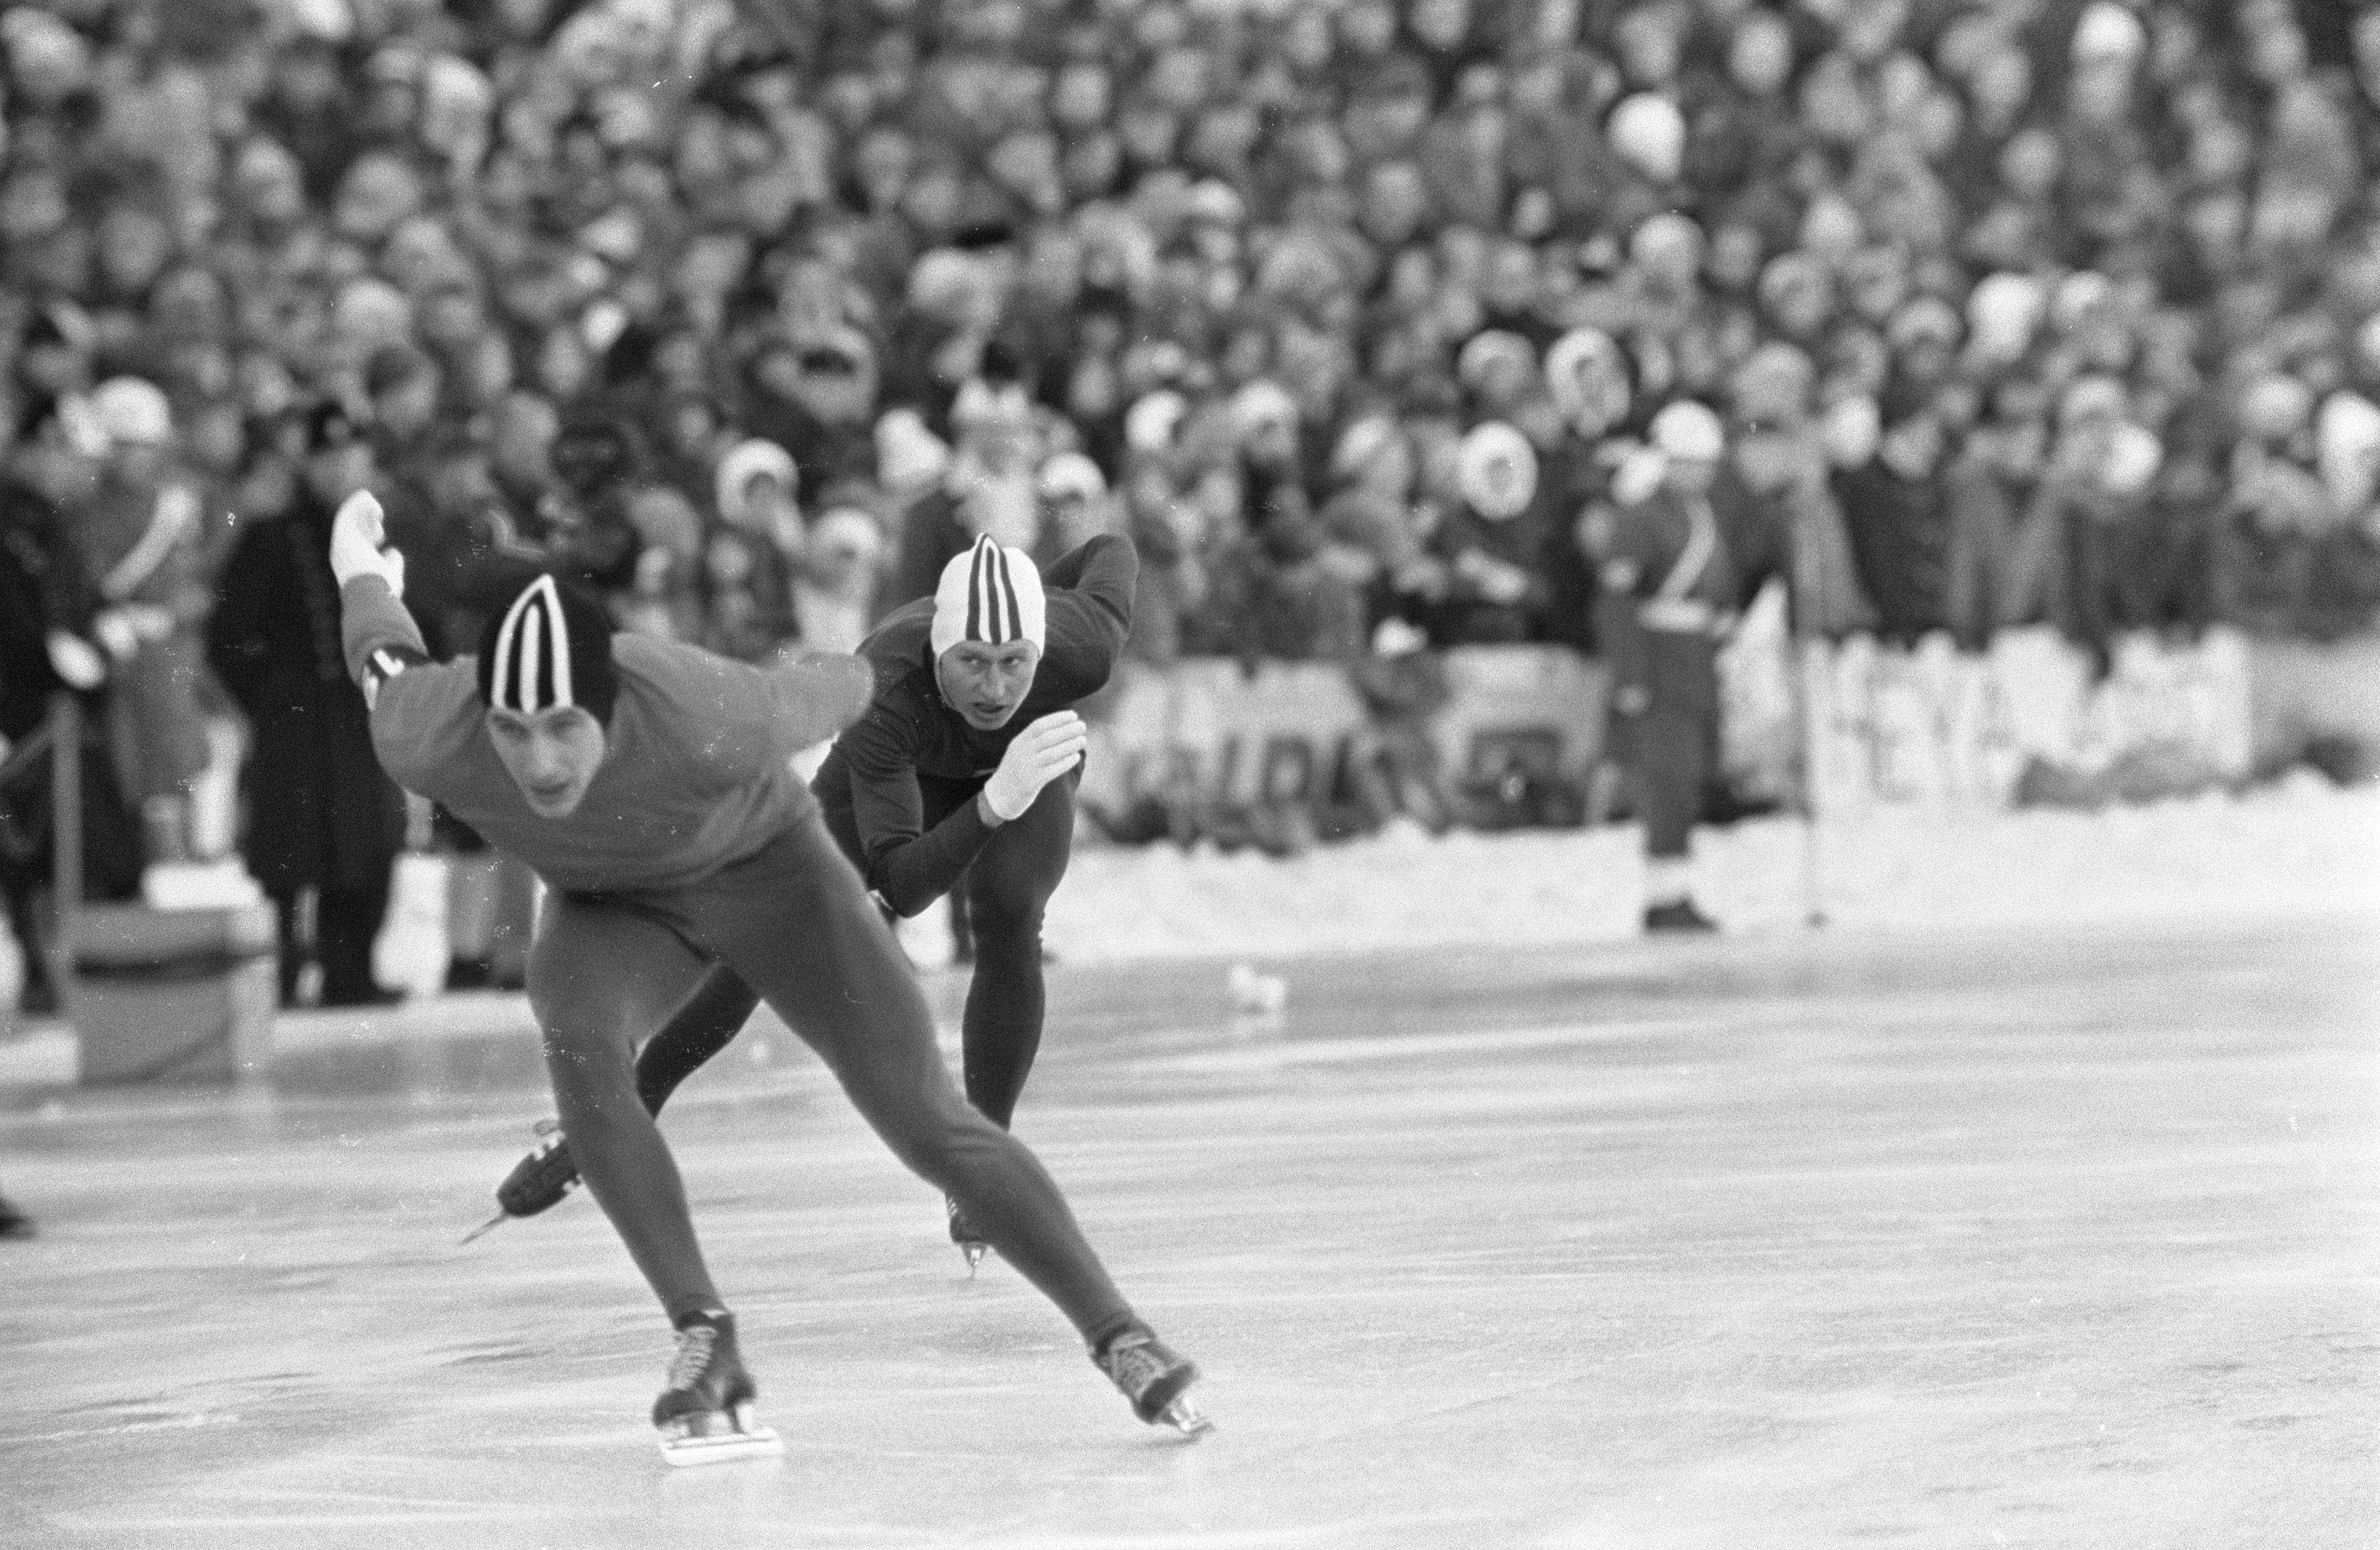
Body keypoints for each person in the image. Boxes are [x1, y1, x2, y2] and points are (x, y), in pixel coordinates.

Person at [326, 496, 1205, 1456]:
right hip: (613, 906)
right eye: (512, 729)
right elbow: (383, 651)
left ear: (613, 703)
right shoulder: (426, 730)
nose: (539, 762)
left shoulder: (705, 707)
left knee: (921, 1119)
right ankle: (703, 1333)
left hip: (769, 879)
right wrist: (356, 563)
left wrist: (923, 701)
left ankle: (1120, 1332)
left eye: (565, 726)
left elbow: (839, 683)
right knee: (578, 1040)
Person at [494, 530, 1137, 1275]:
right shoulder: (884, 686)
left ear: (1041, 647)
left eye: (1013, 662)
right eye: (971, 662)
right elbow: (904, 887)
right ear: (936, 651)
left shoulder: (1080, 645)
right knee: (765, 928)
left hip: (1033, 758)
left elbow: (1110, 545)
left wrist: (1040, 592)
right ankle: (617, 1111)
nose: (992, 688)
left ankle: (980, 1173)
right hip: (917, 768)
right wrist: (993, 800)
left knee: (1009, 914)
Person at [205, 403, 407, 1008]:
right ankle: (287, 971)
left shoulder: (384, 536)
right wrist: (272, 696)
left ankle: (353, 970)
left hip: (361, 712)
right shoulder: (273, 537)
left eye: (352, 453)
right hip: (295, 721)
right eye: (329, 456)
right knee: (292, 852)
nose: (342, 467)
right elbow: (229, 636)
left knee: (368, 843)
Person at [1583, 401, 1782, 933]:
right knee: (1665, 777)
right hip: (1656, 656)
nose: (1699, 472)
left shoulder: (1704, 513)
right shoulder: (1640, 516)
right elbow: (1616, 603)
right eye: (1688, 462)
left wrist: (1719, 618)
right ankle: (1663, 896)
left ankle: (1678, 890)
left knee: (1692, 774)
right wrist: (1626, 677)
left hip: (1695, 654)